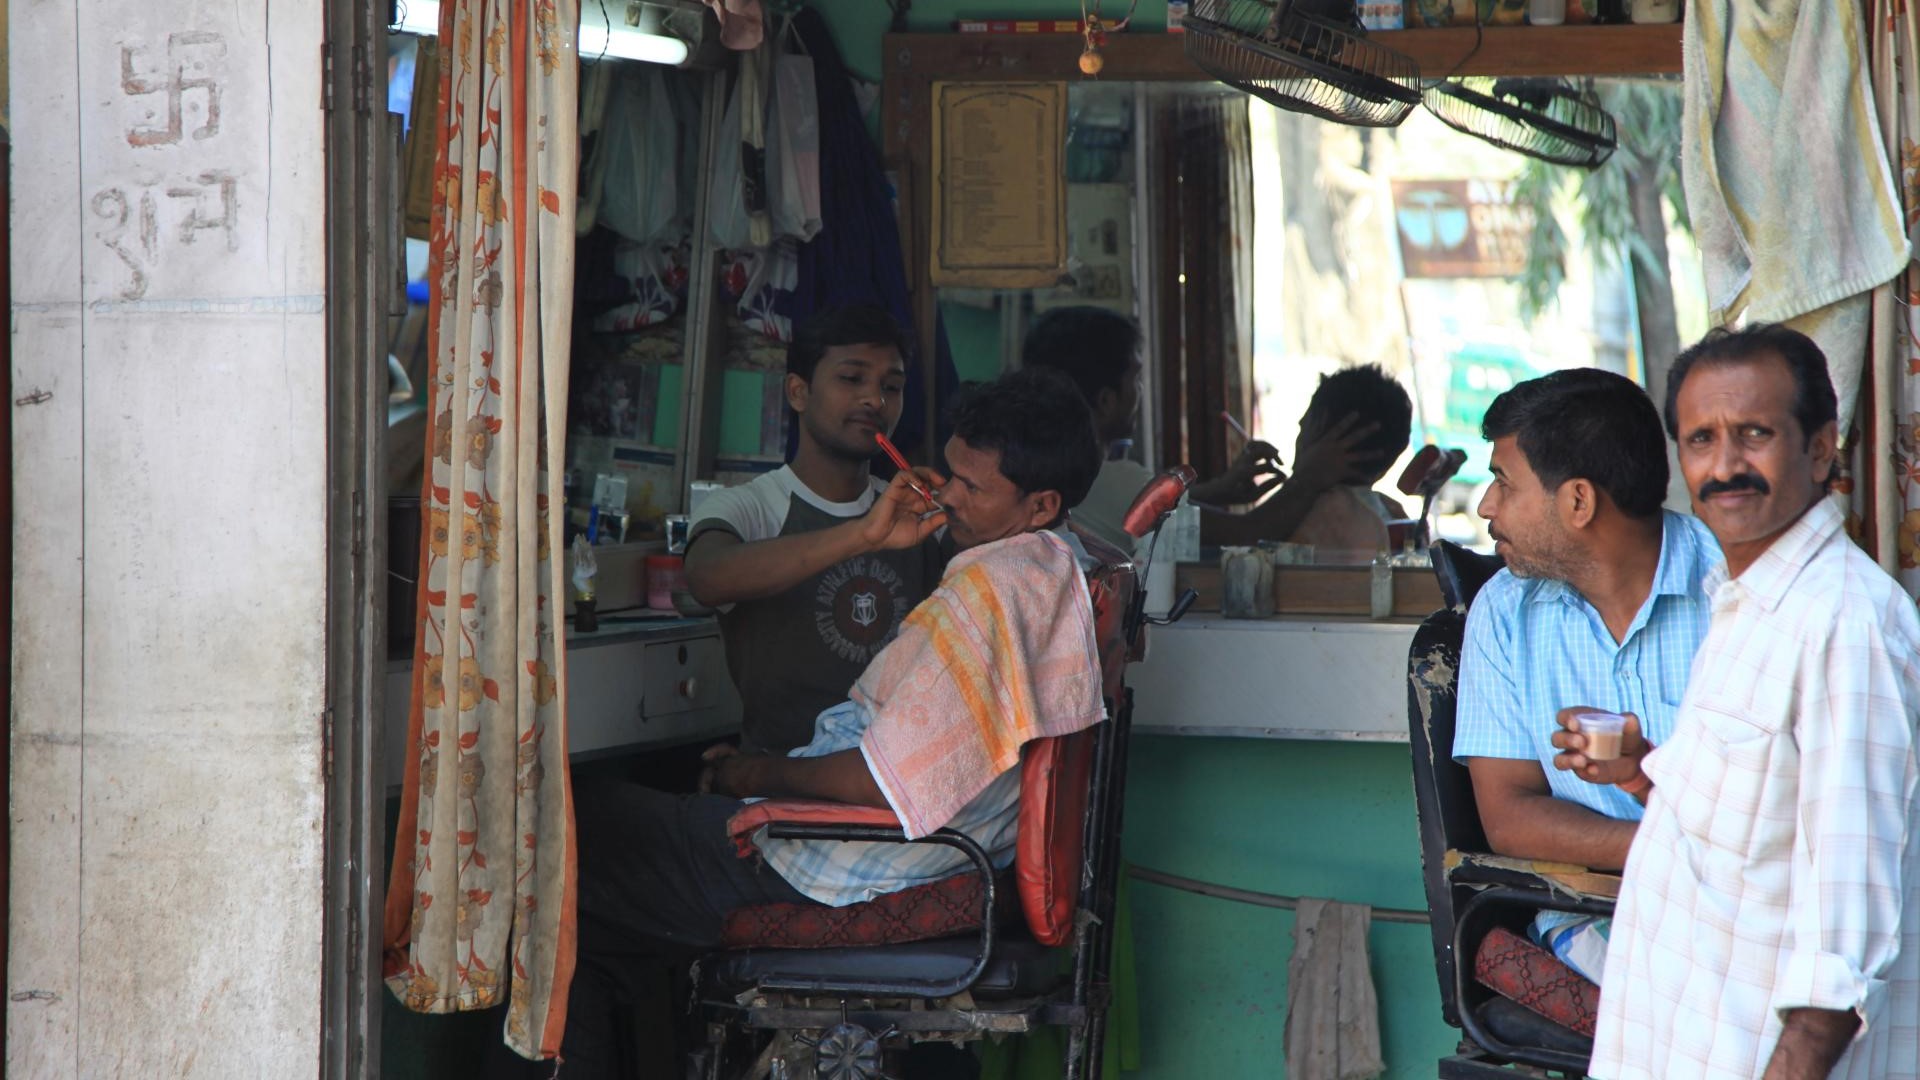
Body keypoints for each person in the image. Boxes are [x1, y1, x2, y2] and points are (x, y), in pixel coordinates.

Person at [556, 368, 1109, 1076]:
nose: (947, 494)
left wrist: (748, 775)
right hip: (953, 849)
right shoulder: (1061, 563)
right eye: (952, 473)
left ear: (1042, 503)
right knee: (602, 922)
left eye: (973, 488)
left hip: (859, 862)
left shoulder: (987, 595)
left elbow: (879, 785)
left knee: (573, 826)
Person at [1565, 325, 1920, 1080]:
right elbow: (1757, 831)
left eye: (1753, 434)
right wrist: (1645, 773)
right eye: (1700, 440)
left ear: (1821, 448)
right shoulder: (1743, 603)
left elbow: (1845, 930)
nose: (1725, 466)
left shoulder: (1846, 624)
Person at [1451, 368, 1719, 984]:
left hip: (1752, 906)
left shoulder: (1733, 594)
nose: (1487, 507)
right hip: (1597, 914)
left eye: (1502, 481)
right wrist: (1663, 851)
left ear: (1578, 500)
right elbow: (1510, 815)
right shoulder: (1504, 612)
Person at [685, 304, 946, 754]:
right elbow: (705, 578)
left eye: (892, 386)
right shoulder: (749, 507)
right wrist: (862, 535)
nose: (875, 400)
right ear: (798, 392)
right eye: (852, 379)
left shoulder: (919, 516)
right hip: (777, 787)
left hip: (893, 782)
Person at [1020, 305, 1284, 551]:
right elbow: (1249, 531)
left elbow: (1139, 506)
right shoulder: (1116, 481)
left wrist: (1217, 490)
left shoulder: (1032, 471)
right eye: (1135, 379)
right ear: (1106, 401)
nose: (1141, 390)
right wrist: (1313, 472)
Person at [1200, 364, 1415, 556]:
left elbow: (1243, 534)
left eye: (1306, 421)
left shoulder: (1327, 512)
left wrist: (1305, 479)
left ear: (1319, 425)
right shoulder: (1390, 513)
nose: (1300, 427)